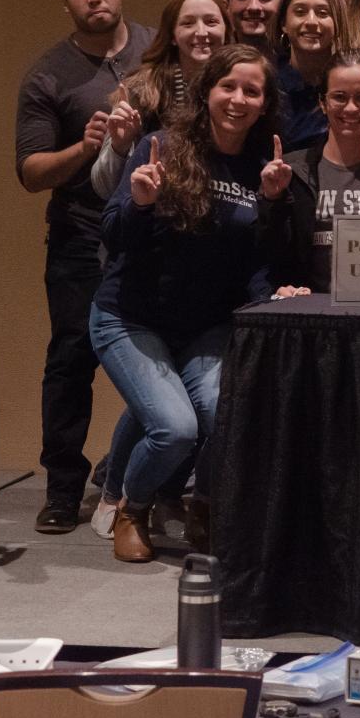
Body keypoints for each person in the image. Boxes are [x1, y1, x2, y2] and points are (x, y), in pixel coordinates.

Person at [90, 44, 278, 561]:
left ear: (264, 103)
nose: (237, 99)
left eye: (251, 90)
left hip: (205, 326)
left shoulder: (262, 168)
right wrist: (140, 204)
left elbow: (257, 260)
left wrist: (269, 298)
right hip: (130, 317)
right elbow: (113, 234)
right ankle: (132, 507)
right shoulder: (161, 147)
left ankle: (205, 508)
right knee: (175, 429)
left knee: (227, 416)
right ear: (207, 91)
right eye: (227, 86)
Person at [14, 0, 155, 533]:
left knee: (162, 357)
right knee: (71, 360)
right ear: (66, 1)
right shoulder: (49, 74)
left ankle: (133, 476)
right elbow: (30, 173)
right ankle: (62, 489)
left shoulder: (158, 50)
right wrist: (85, 146)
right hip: (80, 237)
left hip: (155, 233)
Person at [260, 50, 360, 294]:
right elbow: (269, 254)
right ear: (322, 103)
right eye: (339, 97)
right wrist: (272, 200)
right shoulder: (289, 171)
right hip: (305, 311)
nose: (351, 108)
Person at [91, 0, 230, 199]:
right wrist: (120, 146)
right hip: (155, 212)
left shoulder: (241, 90)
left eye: (211, 22)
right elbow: (104, 188)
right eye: (188, 23)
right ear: (173, 35)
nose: (201, 32)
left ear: (226, 30)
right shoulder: (142, 89)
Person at [275, 0, 347, 150]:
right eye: (300, 12)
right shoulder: (268, 84)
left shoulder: (351, 82)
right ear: (284, 23)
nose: (312, 21)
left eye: (323, 13)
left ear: (337, 23)